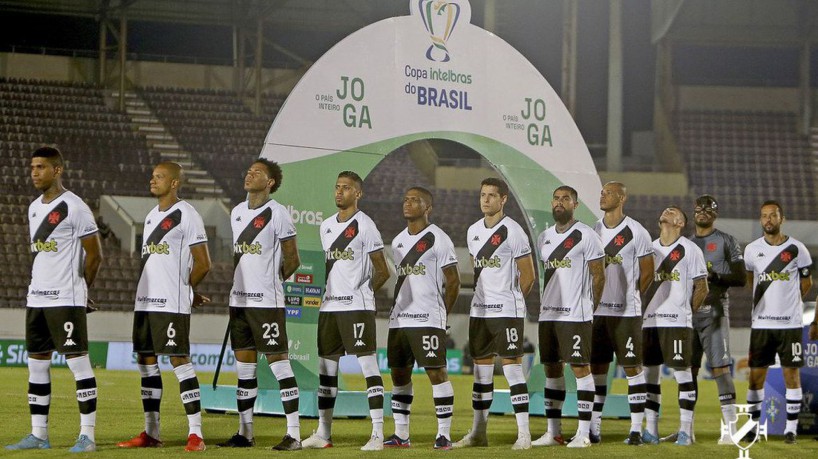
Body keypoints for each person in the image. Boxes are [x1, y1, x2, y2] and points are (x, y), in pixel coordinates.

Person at [6, 147, 103, 453]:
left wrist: (81, 289)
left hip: (65, 298)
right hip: (37, 298)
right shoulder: (34, 207)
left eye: (41, 167)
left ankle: (87, 436)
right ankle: (39, 434)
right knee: (36, 366)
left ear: (57, 170)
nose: (34, 172)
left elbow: (95, 254)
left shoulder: (75, 207)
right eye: (32, 167)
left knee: (79, 366)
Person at [117, 161, 212, 452]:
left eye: (159, 177)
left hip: (171, 303)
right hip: (145, 301)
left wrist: (186, 290)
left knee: (178, 360)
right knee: (146, 362)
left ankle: (196, 434)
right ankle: (151, 432)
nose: (152, 180)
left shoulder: (187, 214)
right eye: (152, 176)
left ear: (174, 183)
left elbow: (203, 262)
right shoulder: (149, 216)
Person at [216, 159, 302, 450]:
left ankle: (294, 434)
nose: (249, 174)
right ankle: (245, 432)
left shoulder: (278, 214)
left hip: (267, 303)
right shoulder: (238, 212)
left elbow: (293, 259)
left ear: (270, 183)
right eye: (248, 169)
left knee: (279, 365)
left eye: (257, 172)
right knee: (245, 371)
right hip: (238, 301)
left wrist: (270, 282)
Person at [302, 171, 391, 451]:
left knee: (368, 366)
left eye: (346, 188)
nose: (340, 192)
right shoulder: (326, 226)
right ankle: (323, 433)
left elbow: (382, 270)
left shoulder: (366, 226)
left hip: (356, 308)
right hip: (330, 307)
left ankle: (377, 433)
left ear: (358, 193)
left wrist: (364, 292)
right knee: (326, 370)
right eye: (337, 187)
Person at [453, 178, 535, 450]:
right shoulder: (473, 231)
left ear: (503, 200)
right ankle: (478, 433)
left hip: (506, 312)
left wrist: (511, 304)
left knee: (513, 371)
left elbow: (529, 275)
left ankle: (524, 434)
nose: (486, 200)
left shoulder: (514, 232)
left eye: (491, 195)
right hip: (479, 311)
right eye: (483, 195)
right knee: (481, 374)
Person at [664, 195, 745, 445]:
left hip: (714, 312)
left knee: (720, 368)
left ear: (715, 214)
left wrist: (714, 277)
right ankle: (686, 430)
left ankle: (730, 430)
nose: (702, 212)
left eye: (708, 209)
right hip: (688, 316)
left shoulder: (726, 241)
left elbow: (740, 278)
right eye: (698, 208)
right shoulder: (685, 243)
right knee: (687, 372)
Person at [384, 187, 460, 450]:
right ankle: (401, 434)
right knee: (399, 374)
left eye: (414, 200)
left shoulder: (439, 239)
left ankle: (444, 434)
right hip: (400, 320)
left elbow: (453, 281)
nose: (408, 204)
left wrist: (442, 315)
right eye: (405, 199)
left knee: (436, 372)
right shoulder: (397, 242)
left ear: (428, 207)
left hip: (428, 318)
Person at [532, 185, 605, 449]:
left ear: (575, 204)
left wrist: (589, 308)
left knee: (580, 369)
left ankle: (583, 434)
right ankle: (554, 433)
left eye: (566, 199)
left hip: (576, 315)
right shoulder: (544, 237)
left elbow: (599, 275)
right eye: (556, 199)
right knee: (552, 369)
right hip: (548, 315)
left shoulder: (586, 235)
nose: (559, 203)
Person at [590, 182, 653, 446]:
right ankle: (593, 427)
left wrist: (631, 298)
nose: (603, 195)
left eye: (609, 193)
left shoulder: (636, 232)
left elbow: (648, 272)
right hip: (597, 313)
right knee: (596, 370)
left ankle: (636, 430)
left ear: (622, 198)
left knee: (632, 369)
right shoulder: (593, 230)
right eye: (602, 192)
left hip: (626, 314)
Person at [744, 200, 813, 444]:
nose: (768, 220)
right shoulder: (752, 250)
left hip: (789, 325)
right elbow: (751, 280)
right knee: (755, 377)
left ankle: (790, 429)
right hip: (761, 324)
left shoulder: (797, 249)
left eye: (772, 215)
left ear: (781, 218)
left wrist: (789, 302)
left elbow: (807, 283)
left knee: (791, 375)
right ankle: (752, 426)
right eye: (764, 216)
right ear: (761, 219)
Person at [640, 206, 708, 446]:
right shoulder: (649, 247)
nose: (666, 212)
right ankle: (651, 430)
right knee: (650, 374)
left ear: (680, 223)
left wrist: (687, 311)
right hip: (650, 321)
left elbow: (702, 287)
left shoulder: (690, 250)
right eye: (665, 211)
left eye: (672, 212)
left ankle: (684, 431)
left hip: (677, 322)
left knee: (683, 373)